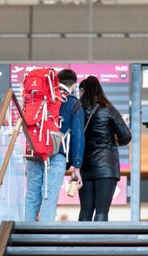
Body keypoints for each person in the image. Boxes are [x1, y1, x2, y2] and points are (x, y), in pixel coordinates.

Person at [25, 69, 85, 221]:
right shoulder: (72, 103)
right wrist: (76, 165)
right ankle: (43, 239)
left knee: (32, 194)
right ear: (74, 85)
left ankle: (26, 235)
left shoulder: (41, 98)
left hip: (34, 151)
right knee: (49, 195)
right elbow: (78, 136)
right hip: (55, 153)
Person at [78, 76, 131, 222]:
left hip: (85, 165)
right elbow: (126, 136)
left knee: (85, 211)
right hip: (107, 166)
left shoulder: (77, 110)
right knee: (102, 211)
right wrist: (113, 140)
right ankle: (97, 244)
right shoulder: (108, 109)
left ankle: (79, 243)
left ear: (82, 91)